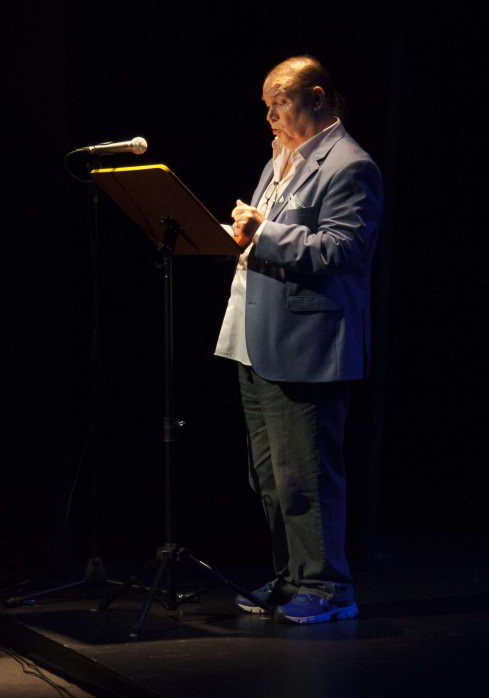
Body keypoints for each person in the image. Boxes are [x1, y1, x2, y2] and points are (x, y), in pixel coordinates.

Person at [214, 55, 383, 624]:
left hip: (308, 344)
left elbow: (343, 250)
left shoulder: (350, 166)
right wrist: (242, 232)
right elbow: (267, 233)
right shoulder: (279, 159)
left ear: (317, 96)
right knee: (268, 475)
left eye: (278, 103)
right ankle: (291, 579)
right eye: (266, 106)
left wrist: (264, 233)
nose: (269, 115)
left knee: (306, 473)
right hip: (257, 338)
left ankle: (329, 588)